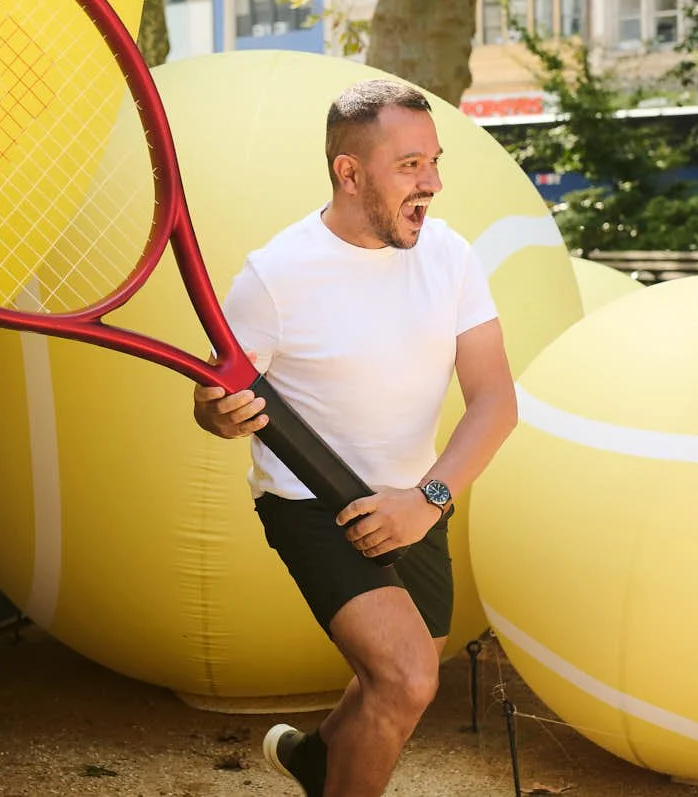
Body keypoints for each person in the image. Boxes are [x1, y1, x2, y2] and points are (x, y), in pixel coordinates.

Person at [191, 79, 518, 797]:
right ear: (349, 172)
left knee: (395, 683)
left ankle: (317, 759)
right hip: (313, 500)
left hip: (413, 497)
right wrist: (220, 412)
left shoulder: (452, 256)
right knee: (406, 676)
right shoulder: (274, 276)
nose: (431, 182)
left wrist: (426, 499)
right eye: (409, 165)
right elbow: (213, 402)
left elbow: (495, 400)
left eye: (433, 161)